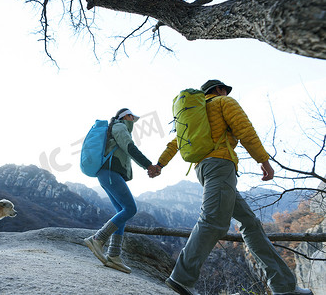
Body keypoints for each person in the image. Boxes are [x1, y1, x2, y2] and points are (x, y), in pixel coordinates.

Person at [151, 80, 313, 295]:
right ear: (218, 90)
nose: (226, 92)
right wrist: (263, 160)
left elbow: (175, 143)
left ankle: (284, 286)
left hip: (203, 168)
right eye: (224, 89)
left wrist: (160, 164)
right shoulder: (223, 102)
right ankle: (181, 278)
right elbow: (245, 130)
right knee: (213, 221)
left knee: (250, 223)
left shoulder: (196, 113)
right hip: (220, 165)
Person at [84, 108, 158, 274]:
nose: (133, 121)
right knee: (130, 209)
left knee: (121, 211)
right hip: (109, 173)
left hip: (108, 174)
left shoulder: (117, 128)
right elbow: (129, 148)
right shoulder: (119, 127)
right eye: (133, 118)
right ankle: (98, 239)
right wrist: (149, 165)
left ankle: (114, 256)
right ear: (127, 116)